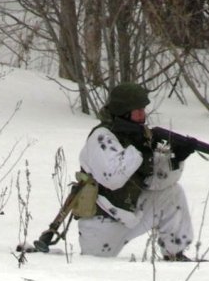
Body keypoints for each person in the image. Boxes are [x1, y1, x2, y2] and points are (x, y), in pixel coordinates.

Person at [76, 82, 196, 260]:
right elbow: (113, 178)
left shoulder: (138, 135)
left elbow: (153, 182)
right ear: (123, 110)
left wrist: (175, 159)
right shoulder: (101, 137)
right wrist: (138, 148)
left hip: (132, 214)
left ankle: (175, 253)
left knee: (173, 193)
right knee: (95, 267)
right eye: (137, 110)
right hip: (102, 224)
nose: (143, 114)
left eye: (143, 109)